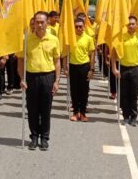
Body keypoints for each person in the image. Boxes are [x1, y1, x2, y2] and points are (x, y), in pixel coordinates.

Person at [17, 11, 60, 151]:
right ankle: (34, 137)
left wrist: (56, 81)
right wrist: (22, 78)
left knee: (45, 109)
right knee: (32, 109)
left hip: (48, 76)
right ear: (33, 23)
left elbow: (57, 61)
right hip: (32, 77)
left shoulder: (54, 39)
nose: (40, 25)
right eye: (37, 22)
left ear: (47, 23)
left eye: (42, 22)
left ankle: (44, 138)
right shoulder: (27, 39)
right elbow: (21, 60)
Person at [112, 16, 138, 126]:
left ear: (137, 25)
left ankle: (134, 117)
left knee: (134, 94)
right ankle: (125, 116)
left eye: (133, 24)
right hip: (123, 68)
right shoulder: (121, 38)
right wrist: (114, 68)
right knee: (124, 94)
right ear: (126, 26)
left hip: (135, 69)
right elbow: (113, 53)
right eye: (129, 24)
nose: (131, 26)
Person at [64, 18, 95, 122]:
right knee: (74, 90)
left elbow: (92, 55)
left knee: (84, 90)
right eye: (76, 26)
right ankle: (75, 112)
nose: (78, 28)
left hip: (84, 66)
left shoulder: (89, 38)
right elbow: (65, 54)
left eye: (80, 26)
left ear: (84, 27)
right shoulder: (70, 39)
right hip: (73, 66)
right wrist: (65, 67)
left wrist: (92, 69)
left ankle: (83, 113)